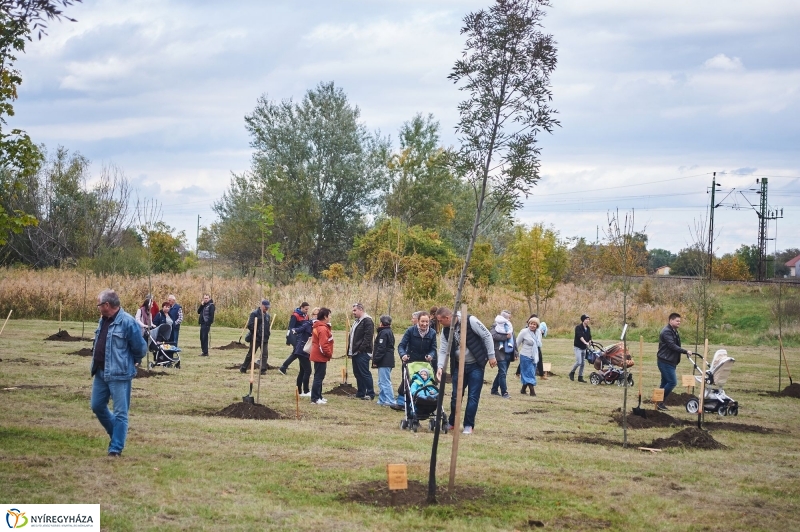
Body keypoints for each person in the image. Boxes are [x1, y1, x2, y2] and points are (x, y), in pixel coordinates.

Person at [90, 289, 147, 457]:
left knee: (120, 412)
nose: (98, 307)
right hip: (100, 372)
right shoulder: (103, 319)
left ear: (107, 305)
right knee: (97, 405)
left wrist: (135, 360)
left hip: (119, 374)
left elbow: (140, 347)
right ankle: (116, 433)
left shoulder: (128, 322)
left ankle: (115, 448)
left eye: (99, 304)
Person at [435, 307, 496, 435]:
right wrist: (440, 367)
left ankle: (468, 425)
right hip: (458, 366)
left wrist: (491, 356)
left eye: (440, 321)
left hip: (476, 365)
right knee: (455, 396)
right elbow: (443, 350)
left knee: (473, 396)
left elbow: (487, 335)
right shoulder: (446, 331)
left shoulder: (470, 320)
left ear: (447, 318)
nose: (439, 323)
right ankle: (452, 423)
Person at [656, 312, 693, 411]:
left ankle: (658, 402)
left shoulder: (673, 331)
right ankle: (660, 402)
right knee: (672, 382)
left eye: (680, 321)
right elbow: (672, 345)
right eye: (677, 321)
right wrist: (685, 351)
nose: (679, 323)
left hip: (669, 361)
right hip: (665, 361)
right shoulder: (667, 332)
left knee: (664, 383)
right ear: (670, 320)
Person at [348, 303, 375, 400]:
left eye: (355, 310)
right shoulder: (357, 321)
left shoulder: (367, 320)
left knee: (364, 373)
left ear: (361, 310)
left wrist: (360, 349)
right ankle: (361, 392)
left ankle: (370, 393)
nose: (353, 312)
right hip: (355, 352)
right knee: (357, 373)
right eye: (353, 310)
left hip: (362, 352)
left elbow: (368, 337)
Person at [240, 300, 271, 375]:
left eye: (268, 307)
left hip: (265, 338)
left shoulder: (267, 316)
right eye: (265, 307)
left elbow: (267, 326)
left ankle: (263, 369)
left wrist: (267, 333)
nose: (266, 308)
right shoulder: (254, 314)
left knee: (264, 354)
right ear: (261, 305)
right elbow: (250, 325)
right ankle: (244, 368)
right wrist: (257, 332)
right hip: (256, 337)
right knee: (251, 353)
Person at [310, 307, 334, 404]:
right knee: (319, 377)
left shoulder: (320, 326)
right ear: (325, 316)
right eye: (329, 315)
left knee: (320, 376)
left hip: (319, 355)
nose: (330, 317)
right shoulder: (322, 328)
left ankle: (319, 395)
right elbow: (323, 345)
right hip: (320, 356)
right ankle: (315, 398)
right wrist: (329, 353)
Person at [279, 302, 310, 375]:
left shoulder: (306, 316)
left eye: (308, 309)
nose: (307, 310)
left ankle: (285, 367)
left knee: (298, 353)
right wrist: (288, 339)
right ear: (301, 308)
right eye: (306, 309)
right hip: (296, 338)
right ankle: (283, 367)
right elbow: (290, 328)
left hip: (303, 337)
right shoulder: (295, 315)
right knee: (297, 353)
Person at [293, 307, 318, 397]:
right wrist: (294, 330)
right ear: (312, 315)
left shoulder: (317, 325)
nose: (317, 316)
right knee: (308, 370)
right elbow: (301, 328)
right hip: (302, 350)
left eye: (319, 315)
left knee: (302, 371)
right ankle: (306, 391)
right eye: (315, 314)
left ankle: (299, 391)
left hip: (306, 351)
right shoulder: (308, 324)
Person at [372, 315, 396, 406]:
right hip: (387, 360)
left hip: (384, 361)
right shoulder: (389, 332)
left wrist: (376, 359)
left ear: (382, 323)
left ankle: (391, 400)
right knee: (381, 381)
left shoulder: (383, 333)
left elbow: (381, 348)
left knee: (385, 381)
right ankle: (381, 400)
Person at [490, 310, 515, 399]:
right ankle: (504, 393)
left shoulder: (510, 326)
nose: (509, 318)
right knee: (503, 373)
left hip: (508, 352)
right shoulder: (495, 325)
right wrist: (505, 337)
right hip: (499, 352)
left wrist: (515, 353)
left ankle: (494, 389)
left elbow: (513, 339)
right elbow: (492, 336)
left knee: (502, 372)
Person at [516, 317, 541, 396]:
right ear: (528, 324)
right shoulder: (524, 332)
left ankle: (523, 389)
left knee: (530, 372)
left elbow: (538, 344)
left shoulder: (538, 333)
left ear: (537, 325)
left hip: (534, 356)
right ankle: (532, 391)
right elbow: (517, 343)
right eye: (531, 324)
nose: (532, 326)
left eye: (534, 324)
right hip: (525, 355)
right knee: (529, 373)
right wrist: (515, 354)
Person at [570, 314, 591, 383]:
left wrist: (589, 342)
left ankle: (580, 377)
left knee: (583, 363)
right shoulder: (578, 327)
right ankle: (572, 372)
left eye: (588, 319)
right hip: (578, 347)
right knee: (579, 362)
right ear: (583, 320)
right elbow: (580, 336)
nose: (588, 320)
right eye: (586, 319)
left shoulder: (588, 328)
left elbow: (589, 337)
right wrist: (585, 342)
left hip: (584, 348)